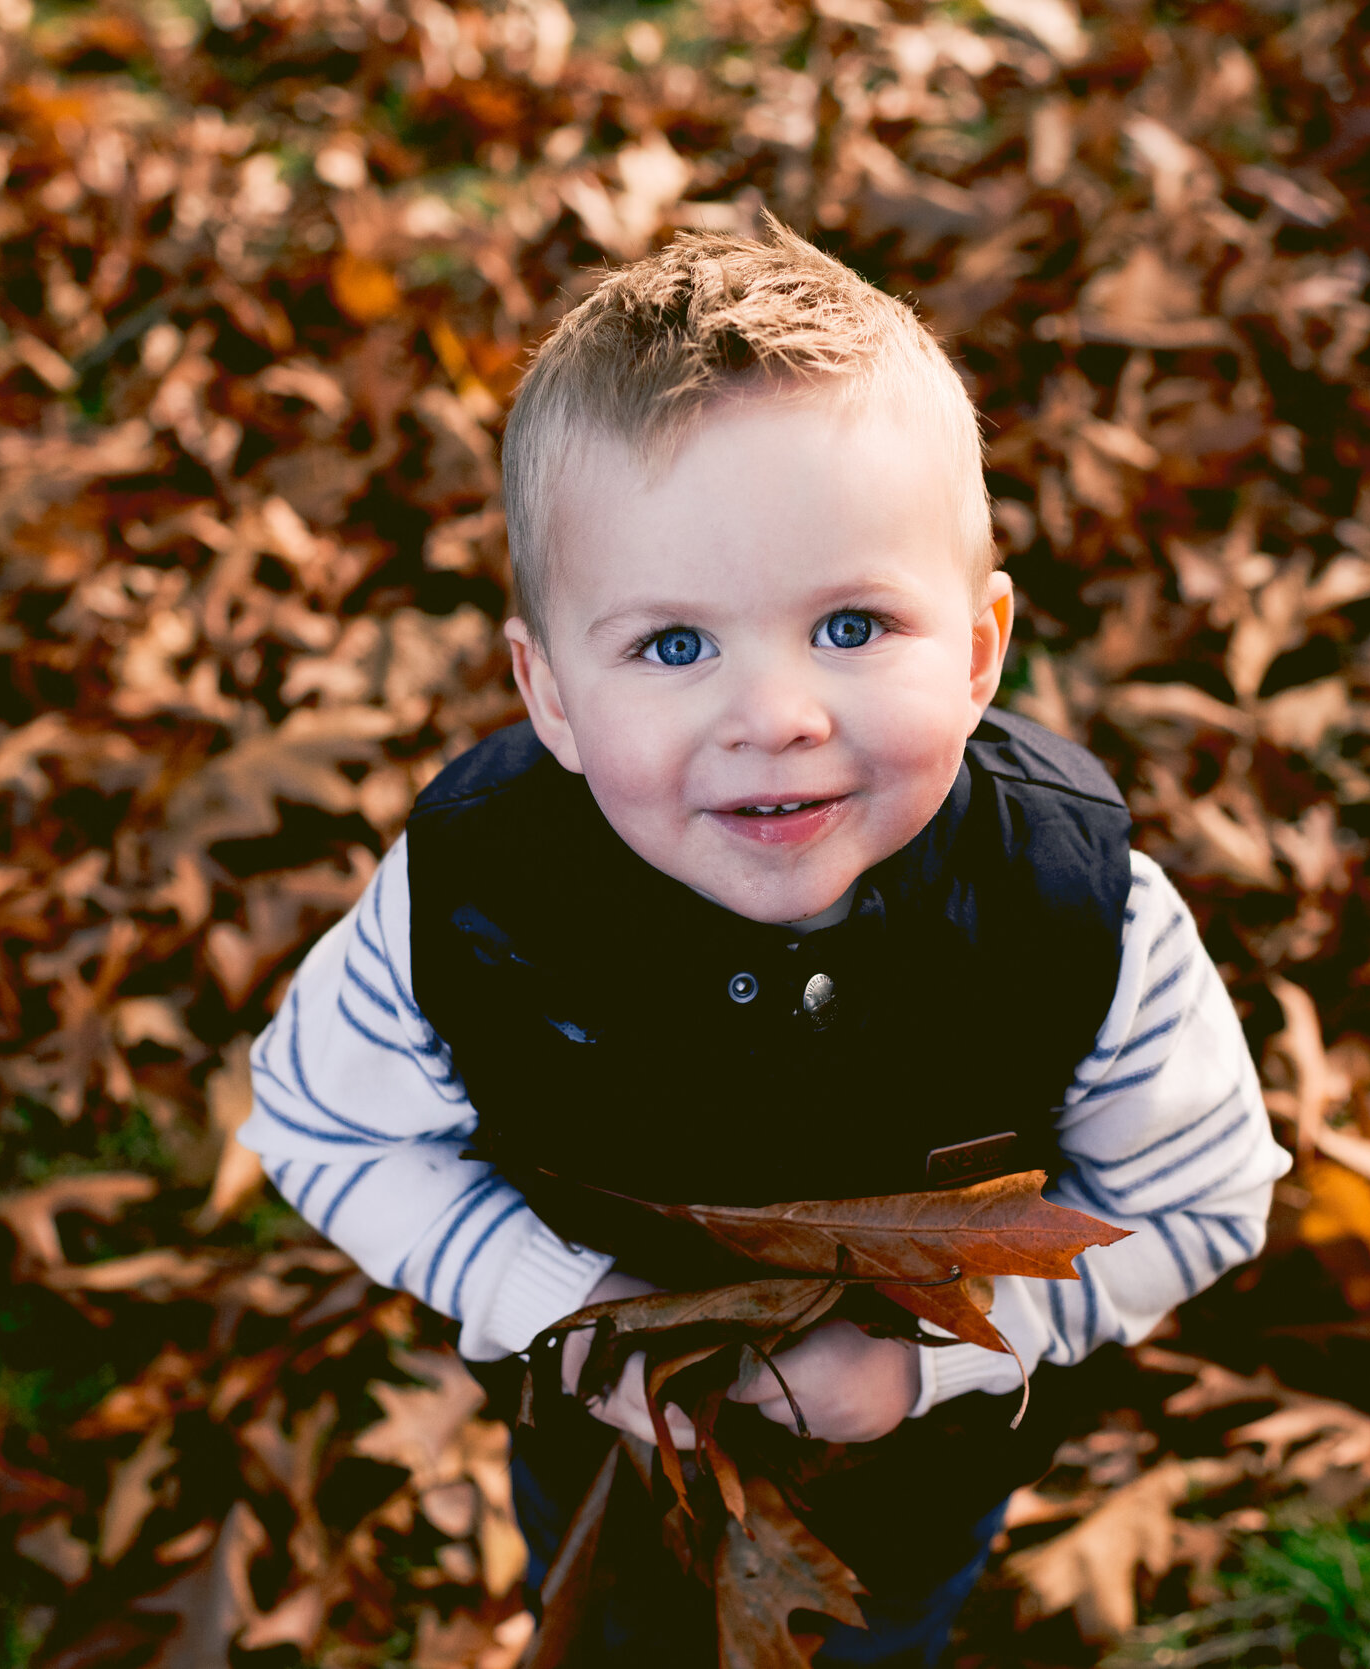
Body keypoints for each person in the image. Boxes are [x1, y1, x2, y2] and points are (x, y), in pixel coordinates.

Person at [238, 222, 1288, 1665]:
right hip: (605, 1452)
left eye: (852, 624)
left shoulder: (1075, 908)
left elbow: (1206, 1197)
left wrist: (917, 1370)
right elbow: (324, 1128)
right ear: (547, 693)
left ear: (979, 651)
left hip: (908, 1482)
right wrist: (572, 1307)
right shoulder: (471, 895)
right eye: (674, 645)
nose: (776, 714)